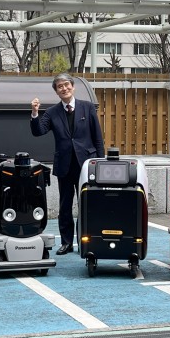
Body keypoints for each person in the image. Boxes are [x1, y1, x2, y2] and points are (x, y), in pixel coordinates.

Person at [30, 73, 105, 255]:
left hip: (86, 164)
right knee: (65, 206)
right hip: (64, 165)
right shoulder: (52, 112)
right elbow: (38, 131)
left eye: (66, 85)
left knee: (86, 204)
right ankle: (66, 242)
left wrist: (100, 163)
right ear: (56, 92)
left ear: (73, 86)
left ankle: (85, 241)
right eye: (60, 87)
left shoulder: (87, 108)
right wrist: (34, 113)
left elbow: (97, 138)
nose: (64, 88)